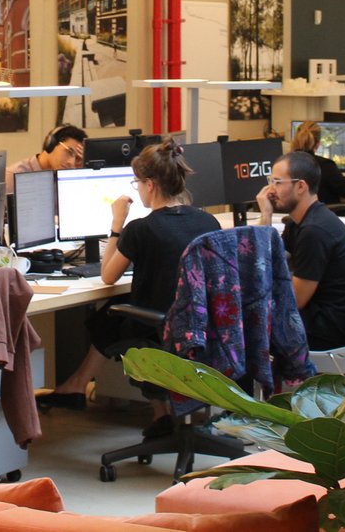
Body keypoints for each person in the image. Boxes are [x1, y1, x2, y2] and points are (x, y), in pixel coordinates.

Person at [36, 138, 220, 432]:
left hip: (162, 329)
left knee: (112, 313)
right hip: (201, 326)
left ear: (150, 185)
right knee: (114, 309)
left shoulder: (141, 229)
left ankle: (82, 388)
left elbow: (108, 276)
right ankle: (143, 409)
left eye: (137, 183)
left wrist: (117, 223)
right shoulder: (208, 222)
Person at [256, 150, 345, 352]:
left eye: (277, 182)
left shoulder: (314, 231)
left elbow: (295, 301)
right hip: (325, 317)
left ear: (300, 186)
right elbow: (270, 259)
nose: (270, 191)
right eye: (270, 181)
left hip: (327, 328)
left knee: (243, 325)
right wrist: (267, 215)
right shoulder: (301, 222)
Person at [290, 121, 345, 206]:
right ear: (318, 144)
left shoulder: (285, 164)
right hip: (324, 218)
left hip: (293, 218)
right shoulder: (326, 166)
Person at [5, 123, 87, 192]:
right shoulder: (13, 177)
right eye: (69, 152)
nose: (71, 162)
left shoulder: (64, 178)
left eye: (77, 158)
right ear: (51, 144)